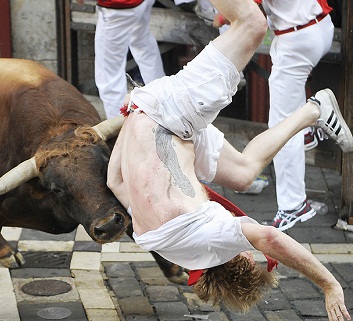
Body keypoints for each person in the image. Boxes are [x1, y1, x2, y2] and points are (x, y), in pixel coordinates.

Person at [105, 0, 352, 319]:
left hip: (175, 109)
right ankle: (314, 110)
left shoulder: (210, 239)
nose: (253, 250)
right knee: (244, 174)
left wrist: (329, 285)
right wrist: (132, 116)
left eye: (251, 256)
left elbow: (269, 236)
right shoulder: (151, 239)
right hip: (168, 127)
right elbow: (116, 180)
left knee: (252, 25)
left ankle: (313, 110)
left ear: (241, 259)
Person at [223, 0, 335, 230]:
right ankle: (306, 132)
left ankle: (293, 205)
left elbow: (238, 13)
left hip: (297, 40)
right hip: (321, 26)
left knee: (281, 127)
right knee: (289, 117)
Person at [77, 0, 165, 119]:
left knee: (108, 74)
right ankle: (164, 104)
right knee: (142, 44)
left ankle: (119, 128)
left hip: (119, 6)